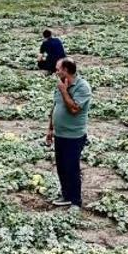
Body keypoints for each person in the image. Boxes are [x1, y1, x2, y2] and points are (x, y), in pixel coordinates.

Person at [46, 58, 92, 208]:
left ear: (66, 70)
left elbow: (74, 109)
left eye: (58, 69)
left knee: (72, 168)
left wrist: (64, 91)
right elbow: (55, 106)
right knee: (61, 167)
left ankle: (75, 201)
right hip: (59, 134)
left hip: (74, 135)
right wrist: (50, 129)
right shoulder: (60, 85)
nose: (56, 72)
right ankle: (66, 195)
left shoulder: (82, 87)